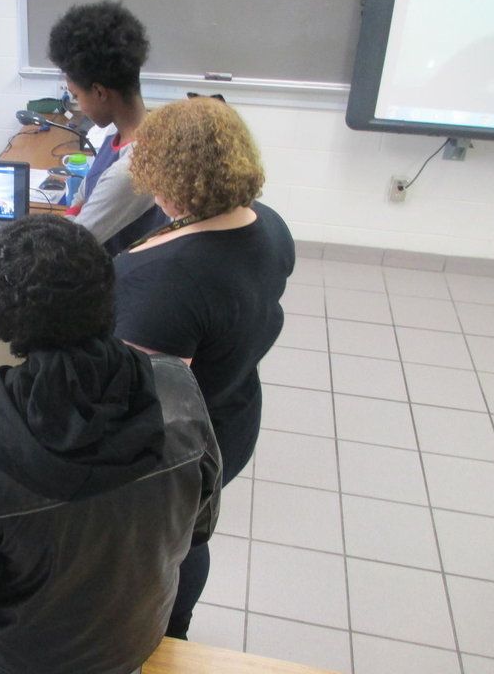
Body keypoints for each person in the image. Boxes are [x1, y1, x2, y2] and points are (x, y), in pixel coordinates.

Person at [0, 214, 221, 674]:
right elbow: (199, 524)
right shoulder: (180, 393)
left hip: (24, 659)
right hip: (134, 639)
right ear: (107, 295)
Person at [113, 97, 295, 639]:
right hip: (234, 413)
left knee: (167, 541)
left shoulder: (165, 280)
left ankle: (166, 631)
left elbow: (146, 399)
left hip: (183, 449)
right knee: (192, 534)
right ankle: (176, 626)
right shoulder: (271, 225)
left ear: (164, 176)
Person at [47, 0, 168, 254]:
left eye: (76, 96)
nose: (77, 104)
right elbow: (83, 193)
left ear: (100, 92)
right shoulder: (118, 134)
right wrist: (73, 215)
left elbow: (74, 245)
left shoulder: (133, 167)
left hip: (112, 282)